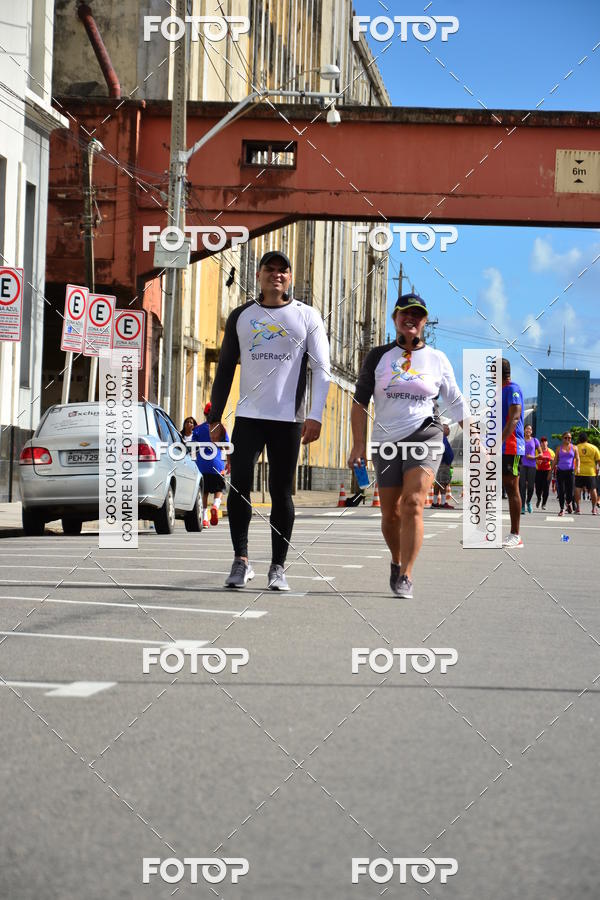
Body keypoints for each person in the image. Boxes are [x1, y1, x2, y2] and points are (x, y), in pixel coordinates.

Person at [208, 250, 331, 590]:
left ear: (290, 278)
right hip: (249, 417)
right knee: (239, 486)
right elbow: (225, 368)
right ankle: (241, 560)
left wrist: (315, 415)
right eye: (269, 269)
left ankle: (278, 566)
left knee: (281, 491)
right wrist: (215, 418)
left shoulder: (307, 316)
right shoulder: (241, 316)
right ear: (258, 275)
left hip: (288, 419)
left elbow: (322, 369)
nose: (276, 275)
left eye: (282, 270)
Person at [349, 294, 465, 599]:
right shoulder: (378, 357)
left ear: (424, 321)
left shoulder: (437, 359)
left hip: (425, 435)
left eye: (417, 314)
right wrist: (358, 445)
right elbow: (359, 402)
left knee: (413, 502)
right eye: (405, 313)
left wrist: (476, 435)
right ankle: (396, 559)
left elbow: (455, 400)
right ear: (395, 319)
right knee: (391, 514)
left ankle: (407, 574)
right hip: (386, 441)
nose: (411, 319)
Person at [192, 402, 229, 528]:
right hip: (217, 464)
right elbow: (227, 445)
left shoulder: (197, 429)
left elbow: (193, 447)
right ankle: (215, 506)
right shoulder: (221, 428)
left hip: (201, 465)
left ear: (205, 413)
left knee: (204, 492)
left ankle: (204, 519)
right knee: (219, 489)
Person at [501, 358, 525, 548]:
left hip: (512, 446)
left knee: (511, 487)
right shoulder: (500, 391)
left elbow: (514, 418)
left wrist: (499, 441)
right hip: (501, 447)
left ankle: (515, 535)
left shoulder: (513, 389)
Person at [553, 431, 579, 516]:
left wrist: (578, 467)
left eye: (569, 438)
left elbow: (578, 459)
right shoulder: (558, 448)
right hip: (560, 471)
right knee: (561, 491)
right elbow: (555, 460)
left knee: (570, 491)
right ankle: (562, 509)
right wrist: (550, 471)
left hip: (570, 472)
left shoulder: (574, 447)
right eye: (566, 438)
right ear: (562, 438)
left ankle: (568, 503)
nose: (568, 439)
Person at [574, 431, 600, 515]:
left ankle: (578, 508)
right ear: (587, 439)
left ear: (579, 439)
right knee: (593, 489)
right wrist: (598, 469)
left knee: (578, 489)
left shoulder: (576, 447)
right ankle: (594, 509)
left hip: (579, 472)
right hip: (591, 472)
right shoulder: (594, 447)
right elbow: (599, 460)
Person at [519, 424, 540, 514]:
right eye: (527, 429)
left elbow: (541, 453)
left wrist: (534, 457)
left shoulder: (535, 440)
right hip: (522, 465)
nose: (528, 430)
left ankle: (528, 502)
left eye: (530, 429)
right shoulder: (520, 440)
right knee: (522, 486)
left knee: (531, 487)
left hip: (532, 466)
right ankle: (522, 506)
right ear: (524, 431)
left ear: (531, 431)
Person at [433, 423, 454, 507]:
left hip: (441, 463)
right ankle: (442, 503)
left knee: (438, 482)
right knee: (443, 483)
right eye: (447, 428)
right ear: (442, 429)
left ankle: (435, 502)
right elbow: (444, 450)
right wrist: (447, 461)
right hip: (443, 464)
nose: (449, 430)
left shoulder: (441, 438)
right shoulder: (442, 438)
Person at [534, 436, 554, 510]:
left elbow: (555, 460)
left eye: (545, 441)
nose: (544, 443)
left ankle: (544, 503)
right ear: (540, 443)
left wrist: (550, 459)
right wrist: (537, 461)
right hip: (538, 471)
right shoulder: (537, 451)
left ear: (547, 443)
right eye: (542, 442)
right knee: (538, 488)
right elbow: (532, 458)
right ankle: (539, 498)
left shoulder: (551, 451)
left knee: (546, 488)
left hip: (547, 471)